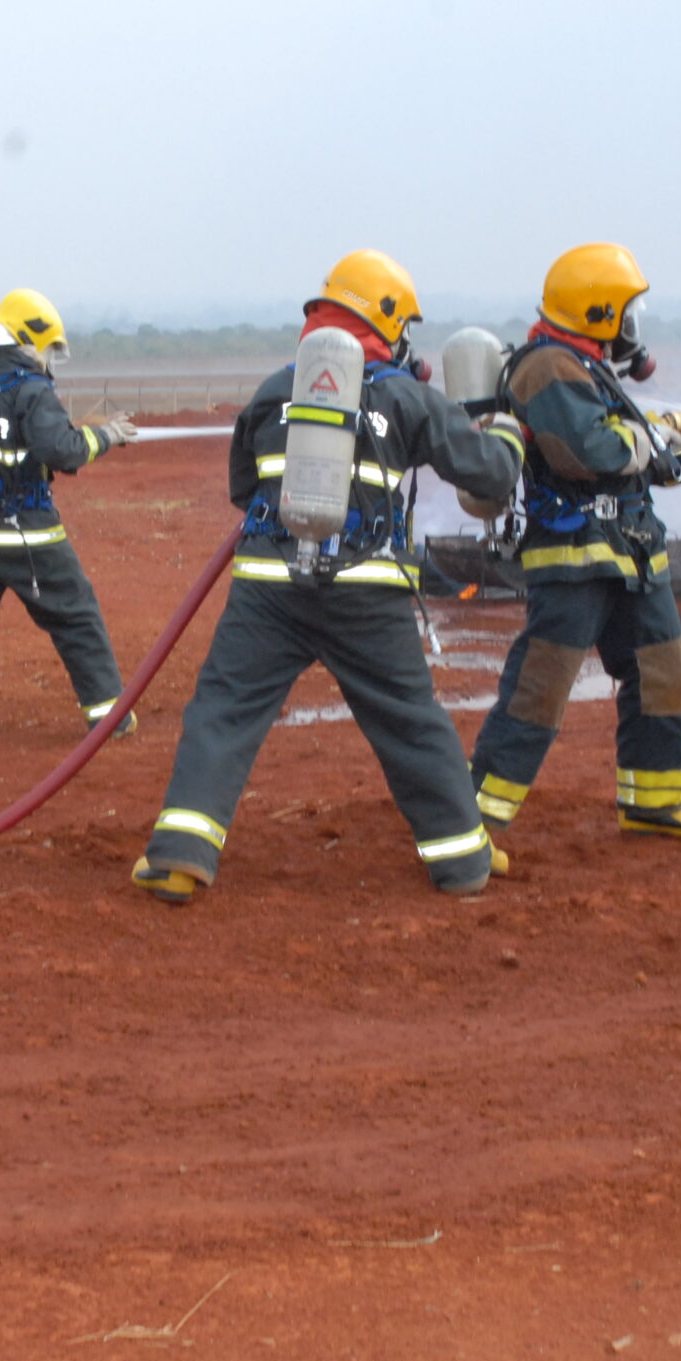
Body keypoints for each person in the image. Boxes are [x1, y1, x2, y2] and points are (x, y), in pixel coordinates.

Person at [133, 250, 524, 904]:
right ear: (388, 321)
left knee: (224, 711)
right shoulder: (405, 395)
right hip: (366, 589)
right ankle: (462, 860)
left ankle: (180, 854)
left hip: (268, 585)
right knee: (408, 720)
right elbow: (488, 474)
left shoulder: (271, 390)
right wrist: (508, 432)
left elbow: (242, 489)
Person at [468, 243, 681, 838]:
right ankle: (472, 821)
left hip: (629, 552)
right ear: (599, 311)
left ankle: (653, 806)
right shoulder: (547, 367)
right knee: (541, 687)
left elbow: (635, 458)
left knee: (662, 673)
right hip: (575, 556)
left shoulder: (588, 368)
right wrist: (649, 434)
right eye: (626, 313)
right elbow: (591, 452)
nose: (633, 328)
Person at [0, 288, 139, 748]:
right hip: (23, 532)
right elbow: (63, 450)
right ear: (29, 340)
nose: (50, 359)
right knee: (76, 616)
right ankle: (109, 717)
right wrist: (106, 435)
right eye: (50, 348)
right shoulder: (31, 389)